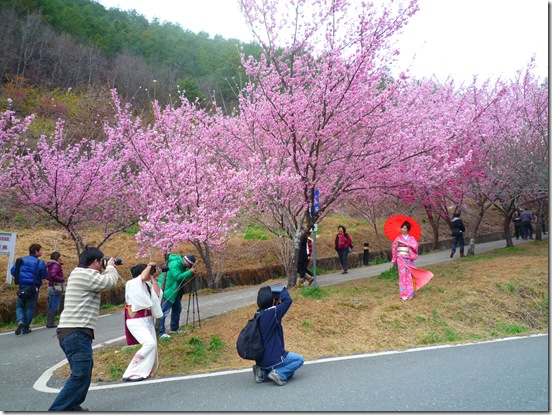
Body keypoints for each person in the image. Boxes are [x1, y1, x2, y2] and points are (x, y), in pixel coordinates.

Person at [49, 246, 120, 411]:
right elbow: (108, 282)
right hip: (76, 332)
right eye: (101, 261)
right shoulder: (83, 275)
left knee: (84, 372)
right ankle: (58, 410)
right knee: (80, 374)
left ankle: (72, 406)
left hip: (76, 332)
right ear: (95, 262)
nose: (103, 264)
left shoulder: (81, 274)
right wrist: (111, 266)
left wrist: (108, 266)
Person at [252, 286, 304, 386]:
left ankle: (262, 373)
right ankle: (278, 374)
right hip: (274, 358)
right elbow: (288, 301)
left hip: (261, 359)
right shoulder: (272, 313)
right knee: (299, 360)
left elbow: (278, 306)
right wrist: (282, 289)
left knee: (291, 372)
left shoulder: (258, 313)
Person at [122, 262, 163, 382]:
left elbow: (158, 295)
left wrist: (154, 278)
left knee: (153, 346)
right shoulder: (132, 283)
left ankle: (146, 371)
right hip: (136, 320)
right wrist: (150, 265)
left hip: (147, 319)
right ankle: (131, 371)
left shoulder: (147, 285)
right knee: (149, 343)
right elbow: (143, 277)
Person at [11, 243, 48, 335]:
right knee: (30, 308)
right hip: (33, 288)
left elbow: (13, 271)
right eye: (40, 250)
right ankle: (25, 328)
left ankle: (20, 320)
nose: (42, 252)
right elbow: (44, 275)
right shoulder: (40, 262)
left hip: (22, 287)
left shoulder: (21, 260)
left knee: (19, 306)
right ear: (36, 251)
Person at [390, 221, 433, 300]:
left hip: (408, 258)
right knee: (402, 276)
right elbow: (394, 248)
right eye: (402, 227)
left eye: (404, 228)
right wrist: (396, 245)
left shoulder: (411, 238)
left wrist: (403, 242)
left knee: (409, 275)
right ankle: (403, 294)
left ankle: (410, 294)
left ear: (408, 229)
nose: (402, 229)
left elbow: (415, 246)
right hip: (401, 258)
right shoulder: (398, 238)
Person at [157, 254, 197, 339]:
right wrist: (189, 272)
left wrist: (189, 272)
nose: (189, 267)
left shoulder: (181, 264)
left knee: (177, 309)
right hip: (168, 291)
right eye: (190, 265)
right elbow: (177, 277)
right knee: (164, 312)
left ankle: (174, 328)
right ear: (186, 261)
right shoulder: (175, 264)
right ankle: (161, 332)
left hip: (174, 291)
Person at [46, 251, 65, 328]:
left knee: (51, 304)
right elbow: (53, 275)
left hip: (50, 286)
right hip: (55, 286)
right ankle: (51, 322)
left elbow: (48, 275)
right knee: (54, 304)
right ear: (57, 257)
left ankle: (49, 321)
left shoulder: (50, 265)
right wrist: (61, 279)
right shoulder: (56, 265)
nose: (61, 257)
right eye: (60, 256)